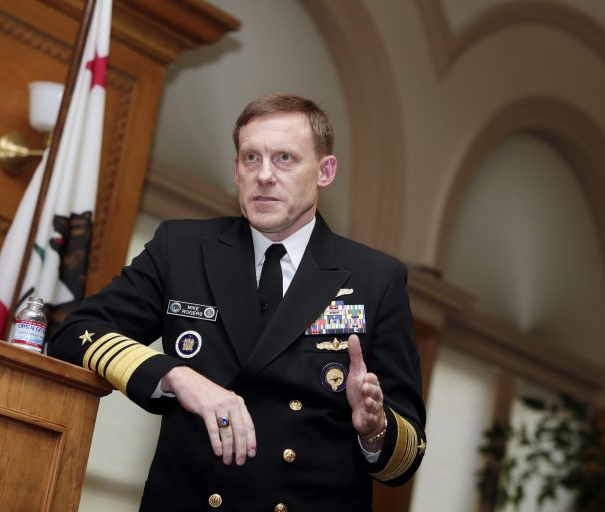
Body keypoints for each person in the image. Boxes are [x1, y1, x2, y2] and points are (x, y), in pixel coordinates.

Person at [48, 93, 426, 511]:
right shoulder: (182, 249)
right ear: (236, 170)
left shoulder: (376, 279)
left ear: (325, 171)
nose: (264, 175)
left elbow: (407, 457)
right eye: (251, 158)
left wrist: (373, 429)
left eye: (285, 158)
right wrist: (177, 376)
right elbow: (73, 335)